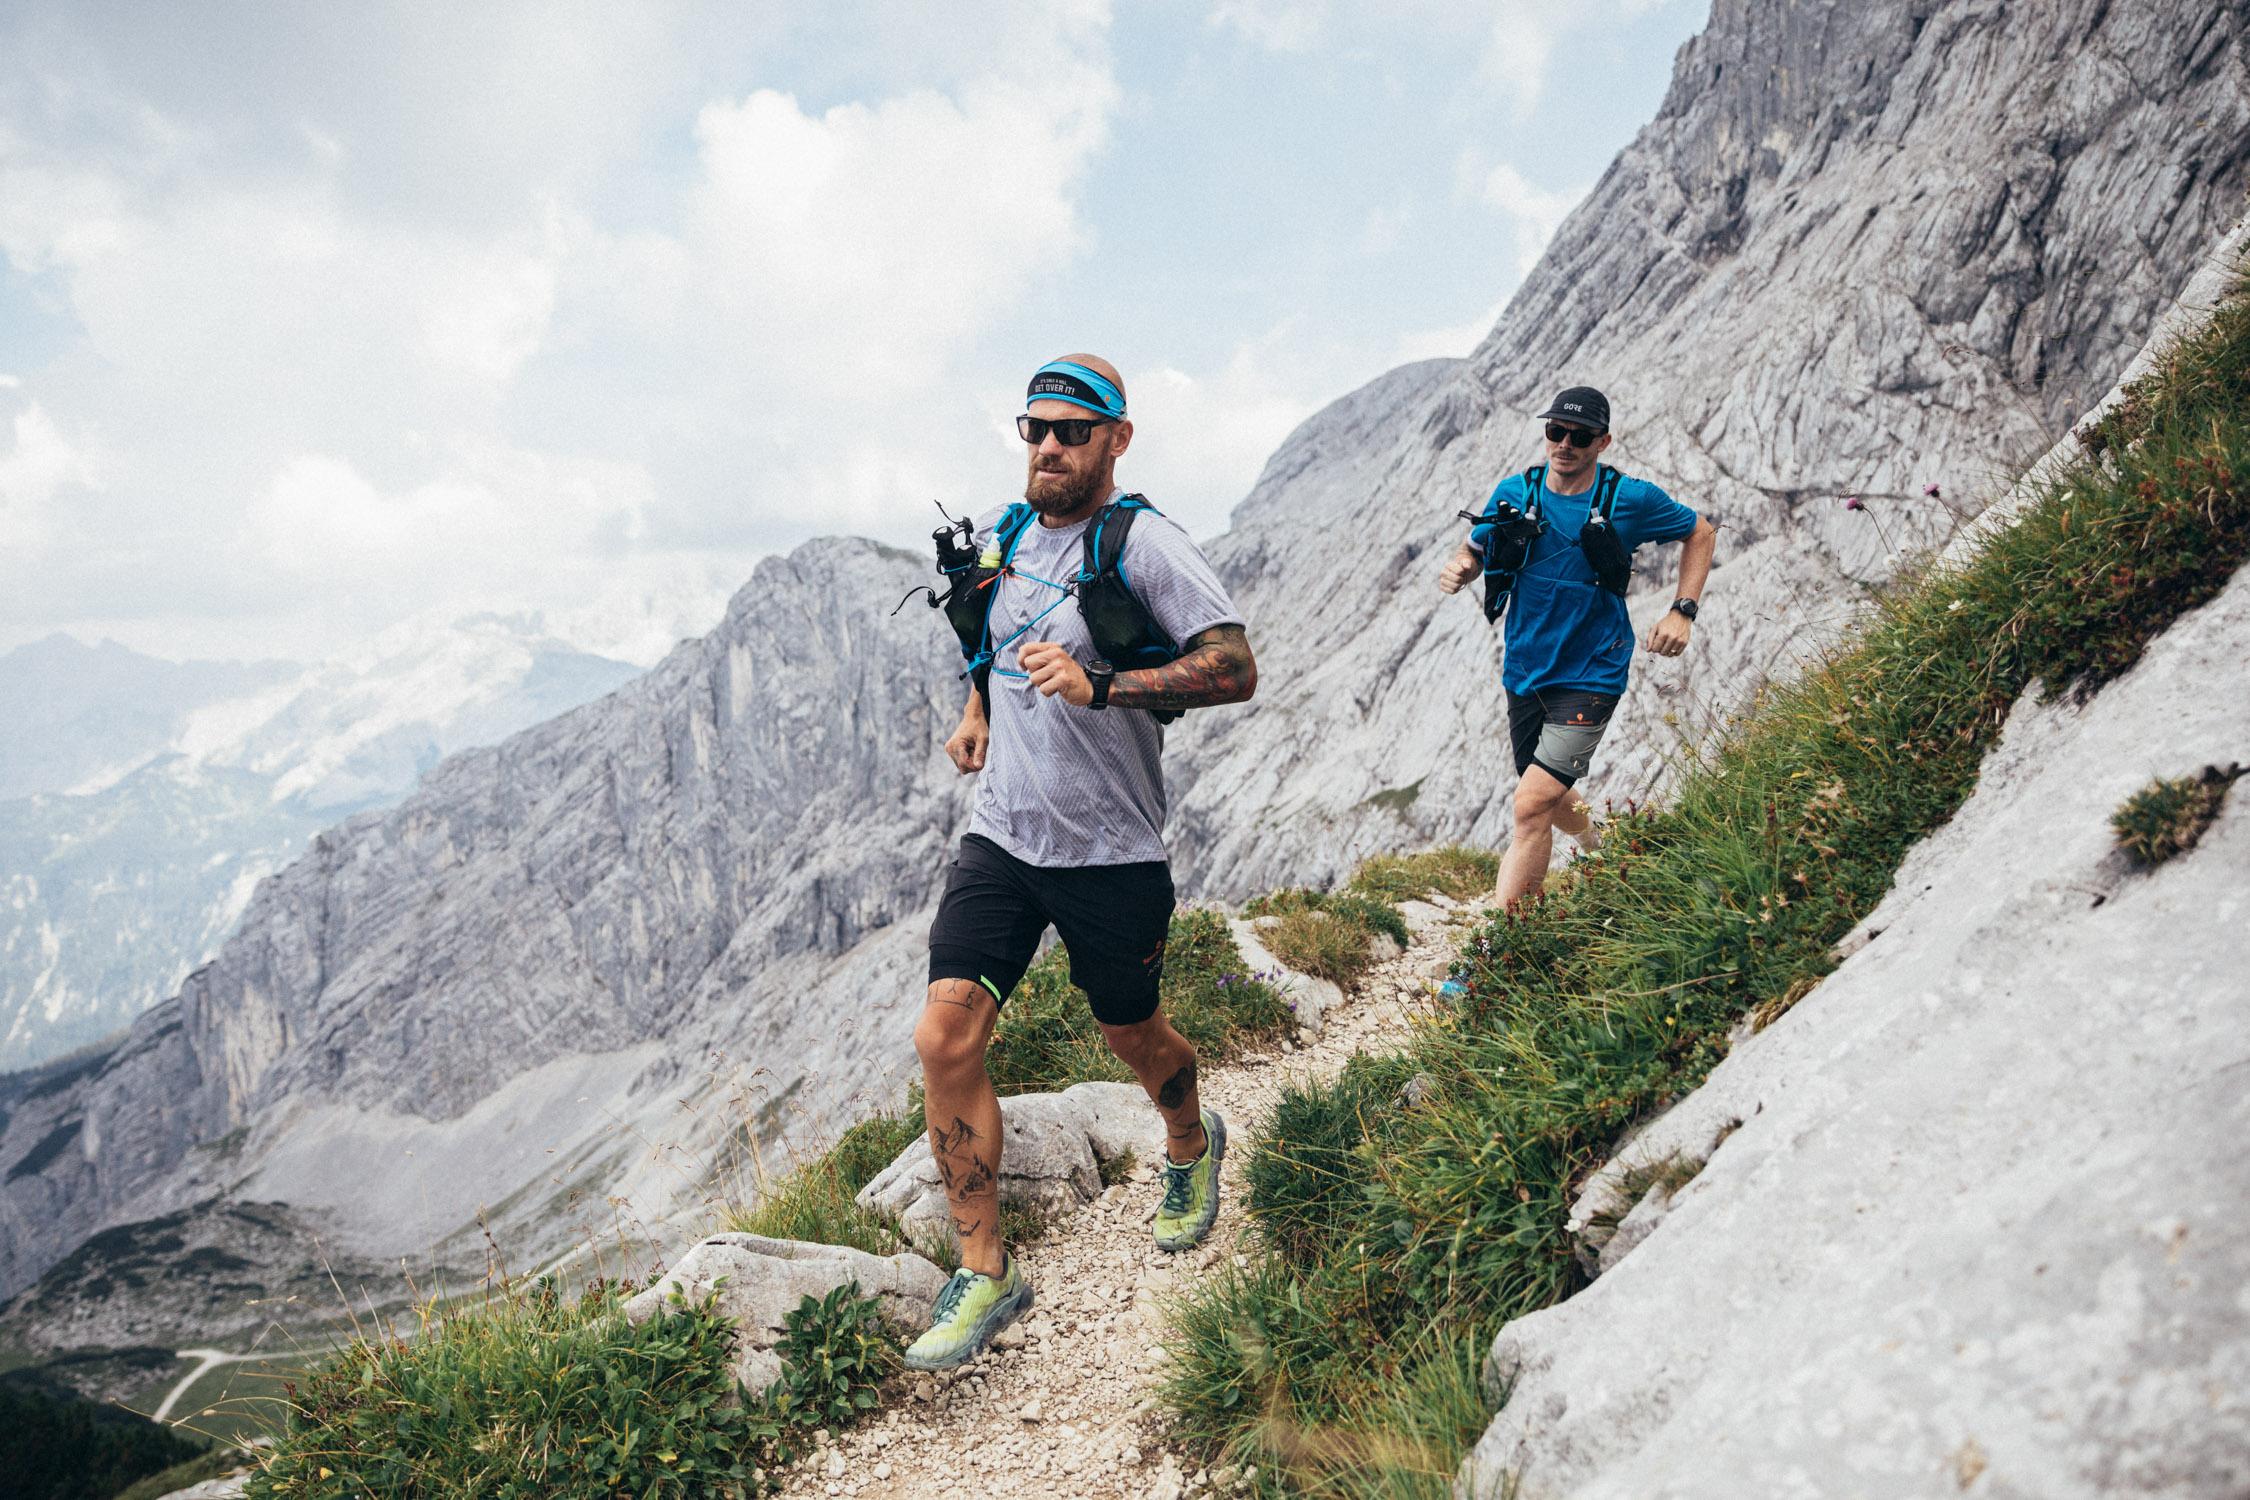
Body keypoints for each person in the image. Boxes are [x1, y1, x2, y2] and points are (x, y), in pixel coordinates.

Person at [903, 354, 1259, 1372]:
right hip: (1004, 838)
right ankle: (984, 1271)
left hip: (1112, 853)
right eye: (1035, 429)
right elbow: (989, 640)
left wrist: (1103, 685)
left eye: (1073, 429)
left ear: (1117, 440)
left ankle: (1191, 1145)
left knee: (1133, 1032)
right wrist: (977, 711)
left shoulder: (1145, 543)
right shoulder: (1008, 535)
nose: (1049, 446)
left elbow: (1234, 666)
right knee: (945, 1037)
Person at [1438, 386, 1717, 909]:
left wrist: (1683, 610)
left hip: (1594, 670)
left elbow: (1700, 532)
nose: (1564, 443)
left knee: (1530, 806)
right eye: (1555, 431)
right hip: (1525, 669)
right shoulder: (1514, 492)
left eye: (1580, 435)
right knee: (1545, 786)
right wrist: (1462, 568)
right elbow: (1475, 547)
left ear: (1603, 441)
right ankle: (1597, 844)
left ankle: (1498, 951)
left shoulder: (1630, 498)